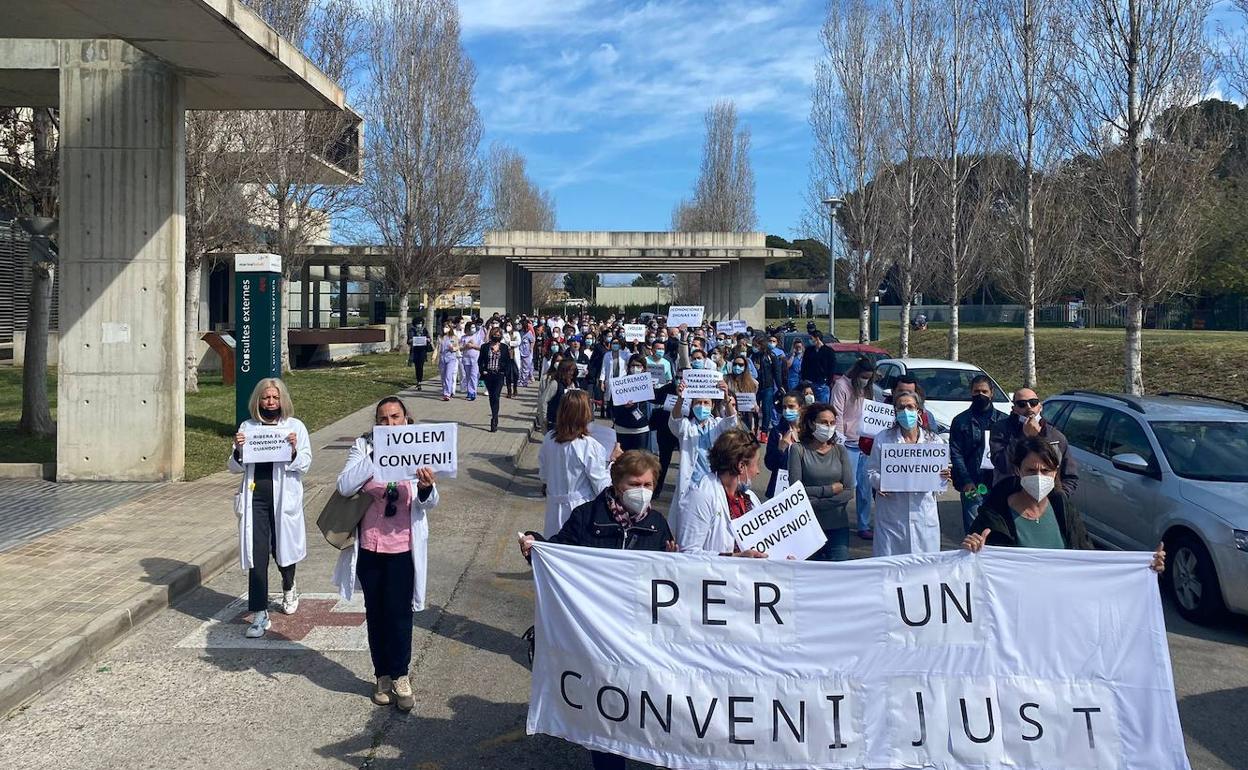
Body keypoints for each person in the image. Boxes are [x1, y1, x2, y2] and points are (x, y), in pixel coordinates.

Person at [518, 450, 676, 770]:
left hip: (636, 637)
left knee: (631, 706)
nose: (642, 490)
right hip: (596, 636)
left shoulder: (658, 525)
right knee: (606, 714)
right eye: (634, 483)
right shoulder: (587, 516)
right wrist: (536, 545)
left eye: (648, 484)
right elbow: (558, 555)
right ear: (617, 483)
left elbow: (670, 581)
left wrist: (677, 562)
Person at [333, 396, 439, 711]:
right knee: (376, 614)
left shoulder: (419, 446)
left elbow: (429, 502)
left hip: (403, 547)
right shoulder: (363, 447)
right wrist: (377, 454)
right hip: (370, 546)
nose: (391, 423)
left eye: (396, 417)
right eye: (384, 419)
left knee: (399, 614)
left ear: (406, 419)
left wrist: (424, 487)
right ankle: (381, 675)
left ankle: (401, 675)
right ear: (377, 424)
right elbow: (344, 486)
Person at [963, 437, 1166, 573]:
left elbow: (1089, 559)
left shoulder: (1062, 509)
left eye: (1046, 471)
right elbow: (970, 571)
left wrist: (1144, 566)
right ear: (1018, 470)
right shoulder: (994, 516)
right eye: (1031, 471)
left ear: (1056, 472)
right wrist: (971, 550)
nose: (1039, 476)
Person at [228, 378, 311, 638]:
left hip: (283, 499)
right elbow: (233, 466)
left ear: (282, 400)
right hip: (256, 501)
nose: (271, 402)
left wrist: (294, 450)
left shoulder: (294, 426)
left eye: (275, 398)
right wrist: (239, 450)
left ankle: (289, 585)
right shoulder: (248, 427)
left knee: (283, 551)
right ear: (258, 401)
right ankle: (259, 613)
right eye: (266, 398)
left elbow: (306, 463)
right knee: (257, 555)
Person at [867, 391, 951, 556]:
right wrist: (882, 482)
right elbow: (871, 471)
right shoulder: (884, 439)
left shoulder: (934, 441)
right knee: (891, 567)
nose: (906, 411)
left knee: (924, 569)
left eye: (910, 407)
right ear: (895, 412)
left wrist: (943, 476)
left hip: (923, 514)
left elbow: (939, 486)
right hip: (893, 514)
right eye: (901, 407)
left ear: (918, 411)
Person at [538, 390, 620, 537]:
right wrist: (612, 462)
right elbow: (601, 486)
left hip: (553, 507)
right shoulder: (589, 445)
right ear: (585, 413)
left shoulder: (549, 438)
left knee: (555, 545)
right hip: (580, 508)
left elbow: (544, 476)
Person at [677, 429, 769, 557]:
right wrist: (735, 557)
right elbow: (687, 553)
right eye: (756, 464)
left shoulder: (750, 498)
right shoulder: (701, 496)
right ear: (741, 466)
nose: (758, 471)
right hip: (716, 576)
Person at [668, 379, 739, 529]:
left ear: (713, 405)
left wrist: (726, 399)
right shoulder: (687, 426)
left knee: (712, 525)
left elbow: (732, 423)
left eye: (706, 403)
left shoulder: (718, 424)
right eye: (698, 403)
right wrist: (680, 399)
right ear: (692, 406)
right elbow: (675, 422)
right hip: (691, 484)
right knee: (688, 525)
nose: (702, 406)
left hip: (714, 483)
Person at [788, 403, 855, 561]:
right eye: (824, 422)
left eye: (832, 423)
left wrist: (818, 502)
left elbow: (848, 490)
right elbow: (796, 491)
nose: (829, 426)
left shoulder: (840, 450)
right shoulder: (798, 450)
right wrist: (829, 490)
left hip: (838, 526)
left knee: (840, 573)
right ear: (812, 423)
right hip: (808, 528)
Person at [989, 387, 1079, 495]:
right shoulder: (1001, 429)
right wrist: (1026, 437)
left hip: (1046, 503)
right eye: (1022, 404)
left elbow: (1070, 475)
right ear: (1014, 409)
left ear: (1040, 406)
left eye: (1033, 403)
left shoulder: (1055, 436)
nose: (1029, 407)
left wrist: (1059, 497)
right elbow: (1003, 465)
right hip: (1010, 499)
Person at [949, 374, 1007, 534]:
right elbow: (956, 453)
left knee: (998, 531)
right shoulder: (960, 421)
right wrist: (966, 480)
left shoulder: (1003, 421)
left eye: (984, 391)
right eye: (976, 391)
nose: (980, 395)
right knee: (974, 532)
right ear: (971, 392)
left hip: (998, 485)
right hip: (972, 483)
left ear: (991, 393)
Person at [831, 358, 877, 540]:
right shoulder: (841, 387)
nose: (866, 381)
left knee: (865, 490)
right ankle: (838, 521)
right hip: (847, 445)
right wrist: (839, 443)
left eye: (869, 378)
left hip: (864, 445)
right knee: (846, 487)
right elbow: (837, 416)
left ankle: (864, 524)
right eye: (864, 377)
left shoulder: (868, 389)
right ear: (857, 374)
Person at [763, 392, 803, 497]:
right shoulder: (777, 432)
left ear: (801, 408)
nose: (787, 410)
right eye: (784, 407)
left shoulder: (809, 433)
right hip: (780, 489)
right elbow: (769, 464)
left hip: (803, 489)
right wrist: (780, 449)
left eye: (791, 406)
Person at [612, 354, 652, 451]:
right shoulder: (620, 384)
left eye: (638, 366)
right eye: (633, 365)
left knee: (639, 461)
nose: (635, 368)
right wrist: (624, 407)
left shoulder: (647, 385)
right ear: (628, 367)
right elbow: (613, 408)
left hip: (640, 430)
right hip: (622, 429)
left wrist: (633, 408)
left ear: (644, 368)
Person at [481, 327, 514, 433]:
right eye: (495, 334)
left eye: (499, 334)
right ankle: (494, 413)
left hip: (499, 375)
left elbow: (508, 361)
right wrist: (483, 371)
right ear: (491, 335)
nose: (497, 336)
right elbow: (480, 360)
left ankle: (494, 418)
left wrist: (504, 372)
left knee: (496, 395)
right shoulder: (485, 347)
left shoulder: (504, 347)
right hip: (488, 374)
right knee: (491, 397)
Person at [751, 335, 784, 435]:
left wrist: (780, 387)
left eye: (756, 345)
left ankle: (764, 432)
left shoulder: (771, 356)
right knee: (754, 410)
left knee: (766, 410)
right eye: (753, 345)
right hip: (754, 388)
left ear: (761, 345)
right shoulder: (752, 356)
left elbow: (777, 373)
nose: (754, 347)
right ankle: (755, 429)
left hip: (767, 387)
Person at [725, 353, 760, 436]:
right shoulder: (725, 379)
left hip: (745, 417)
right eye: (735, 364)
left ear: (745, 367)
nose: (737, 367)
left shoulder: (753, 383)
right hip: (729, 414)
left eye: (740, 365)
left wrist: (756, 407)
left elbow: (753, 400)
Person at [544, 359, 580, 432]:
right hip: (555, 423)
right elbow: (544, 402)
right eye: (569, 370)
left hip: (571, 424)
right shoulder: (555, 384)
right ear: (563, 371)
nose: (572, 373)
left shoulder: (575, 384)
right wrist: (544, 420)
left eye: (573, 370)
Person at [804, 331, 832, 403]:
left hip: (822, 383)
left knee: (822, 405)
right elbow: (804, 365)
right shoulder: (809, 350)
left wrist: (828, 381)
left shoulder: (828, 351)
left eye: (811, 338)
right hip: (810, 383)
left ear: (817, 338)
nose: (810, 340)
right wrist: (804, 378)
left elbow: (831, 367)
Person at [460, 321, 482, 401]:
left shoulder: (477, 336)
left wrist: (473, 346)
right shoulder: (464, 337)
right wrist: (466, 346)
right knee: (468, 376)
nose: (473, 329)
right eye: (471, 327)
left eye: (474, 327)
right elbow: (460, 348)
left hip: (475, 359)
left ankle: (473, 392)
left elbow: (481, 347)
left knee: (474, 376)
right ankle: (469, 392)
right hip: (466, 359)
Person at [438, 325, 461, 402]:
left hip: (451, 358)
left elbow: (457, 346)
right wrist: (434, 356)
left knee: (448, 375)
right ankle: (446, 390)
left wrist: (454, 348)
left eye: (447, 327)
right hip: (442, 358)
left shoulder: (454, 337)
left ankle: (447, 394)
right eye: (444, 327)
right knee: (443, 376)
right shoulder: (440, 337)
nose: (445, 328)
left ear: (450, 328)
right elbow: (438, 347)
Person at [408, 319, 430, 390]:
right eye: (418, 323)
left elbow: (429, 338)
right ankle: (418, 380)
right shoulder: (412, 330)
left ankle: (419, 381)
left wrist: (427, 340)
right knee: (417, 366)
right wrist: (414, 340)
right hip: (415, 351)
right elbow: (409, 340)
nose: (419, 325)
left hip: (422, 351)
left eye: (420, 323)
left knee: (421, 366)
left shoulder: (424, 330)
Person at [518, 321, 536, 387]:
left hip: (526, 352)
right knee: (519, 367)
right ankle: (519, 380)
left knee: (526, 368)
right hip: (519, 351)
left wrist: (531, 349)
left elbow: (532, 341)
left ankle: (524, 381)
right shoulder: (519, 333)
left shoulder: (529, 333)